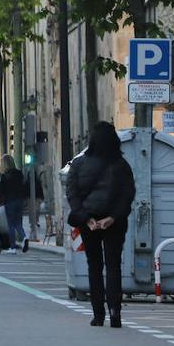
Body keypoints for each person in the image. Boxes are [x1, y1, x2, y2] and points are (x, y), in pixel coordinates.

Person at [66, 121, 135, 328]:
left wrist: (87, 218)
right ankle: (115, 312)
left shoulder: (79, 164)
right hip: (114, 221)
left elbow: (72, 193)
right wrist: (112, 217)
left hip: (90, 221)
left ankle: (98, 314)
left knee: (94, 265)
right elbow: (128, 194)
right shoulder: (122, 165)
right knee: (113, 265)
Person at [0, 154, 29, 254]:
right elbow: (24, 187)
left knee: (11, 224)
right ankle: (24, 237)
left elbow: (1, 191)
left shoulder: (4, 176)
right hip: (19, 200)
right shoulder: (19, 173)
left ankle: (13, 247)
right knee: (18, 223)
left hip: (9, 201)